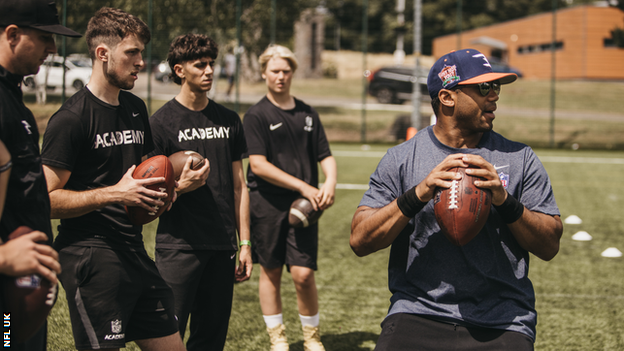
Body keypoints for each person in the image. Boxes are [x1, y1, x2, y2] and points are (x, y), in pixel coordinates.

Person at [350, 48, 563, 350]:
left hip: (503, 319)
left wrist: (505, 201)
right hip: (417, 311)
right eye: (484, 87)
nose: (494, 96)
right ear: (448, 97)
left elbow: (549, 245)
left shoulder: (520, 159)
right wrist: (418, 194)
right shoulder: (401, 159)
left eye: (496, 87)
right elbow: (360, 240)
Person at [40, 8, 185, 351]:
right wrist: (113, 194)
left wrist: (173, 186)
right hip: (90, 254)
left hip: (133, 250)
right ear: (102, 54)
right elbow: (43, 199)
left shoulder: (134, 109)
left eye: (141, 53)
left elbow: (145, 175)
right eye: (132, 53)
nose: (140, 62)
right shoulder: (71, 119)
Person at [148, 33, 252, 350]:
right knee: (169, 334)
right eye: (199, 65)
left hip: (222, 244)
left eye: (211, 64)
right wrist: (181, 186)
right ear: (179, 70)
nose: (208, 71)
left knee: (211, 338)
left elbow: (239, 185)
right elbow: (151, 197)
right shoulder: (160, 123)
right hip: (179, 246)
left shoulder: (229, 120)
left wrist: (245, 242)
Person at [243, 45, 337, 351]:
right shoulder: (256, 115)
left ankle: (312, 337)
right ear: (264, 73)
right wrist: (304, 186)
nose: (280, 76)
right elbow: (258, 165)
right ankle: (278, 338)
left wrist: (330, 182)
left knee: (303, 274)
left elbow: (325, 155)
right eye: (274, 71)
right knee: (270, 271)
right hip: (267, 204)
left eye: (285, 71)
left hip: (303, 208)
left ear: (292, 72)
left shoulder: (307, 112)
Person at [0, 0, 80, 349]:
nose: (53, 48)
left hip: (22, 286)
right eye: (46, 37)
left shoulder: (13, 99)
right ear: (13, 35)